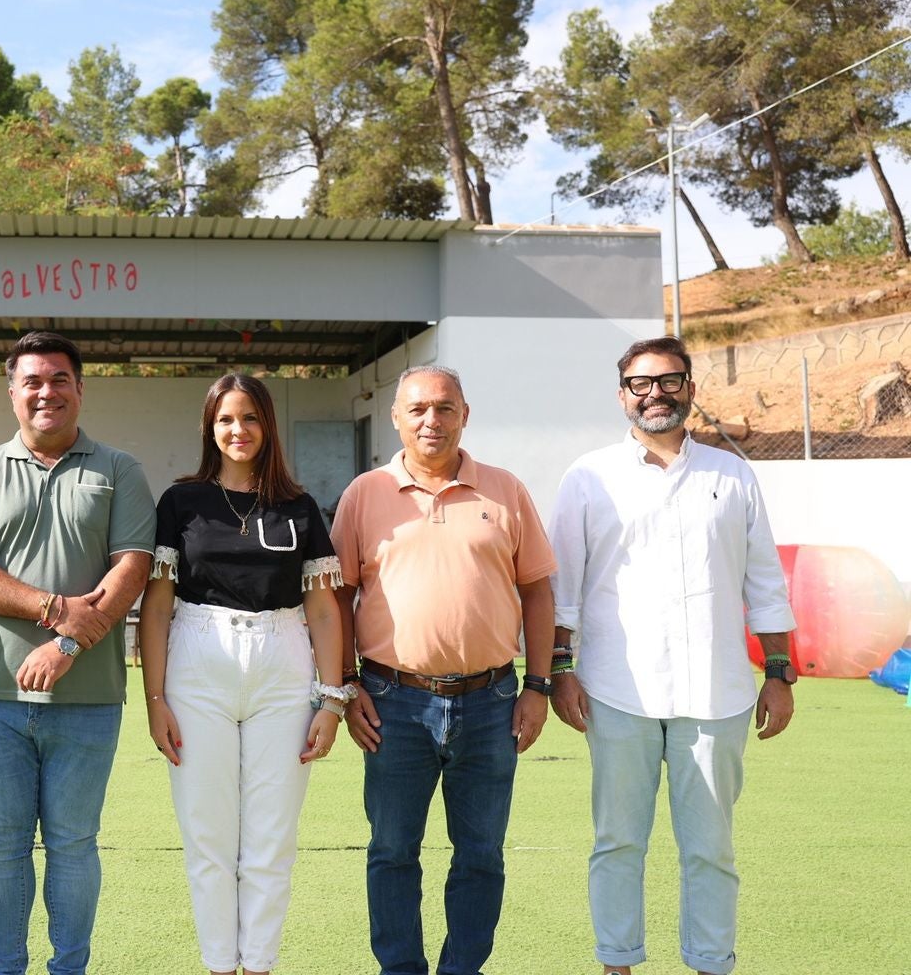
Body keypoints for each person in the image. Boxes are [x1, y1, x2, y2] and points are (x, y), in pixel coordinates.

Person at [548, 337, 796, 975]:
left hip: (717, 694)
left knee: (711, 848)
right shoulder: (588, 476)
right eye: (640, 383)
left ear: (690, 386)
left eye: (669, 380)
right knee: (618, 843)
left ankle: (711, 963)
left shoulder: (733, 474)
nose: (655, 393)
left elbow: (765, 583)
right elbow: (564, 590)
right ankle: (617, 963)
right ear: (622, 394)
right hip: (613, 690)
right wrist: (557, 672)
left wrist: (778, 673)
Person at [0, 330, 156, 975]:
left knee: (74, 846)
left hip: (89, 701)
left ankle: (70, 968)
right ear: (12, 393)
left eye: (59, 379)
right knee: (3, 847)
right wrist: (55, 608)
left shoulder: (119, 470)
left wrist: (65, 644)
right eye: (32, 381)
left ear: (80, 389)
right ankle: (4, 967)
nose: (46, 392)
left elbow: (132, 570)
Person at [330, 364, 556, 975]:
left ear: (465, 414)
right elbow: (336, 599)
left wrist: (538, 685)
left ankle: (463, 968)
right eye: (419, 409)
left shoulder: (505, 490)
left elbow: (537, 590)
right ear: (397, 418)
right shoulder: (364, 494)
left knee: (481, 853)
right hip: (392, 701)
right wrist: (347, 687)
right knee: (392, 851)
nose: (432, 420)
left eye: (445, 408)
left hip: (492, 702)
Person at [140, 373, 347, 975]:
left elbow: (324, 608)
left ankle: (258, 965)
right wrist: (155, 698)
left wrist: (330, 702)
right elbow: (157, 603)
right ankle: (218, 966)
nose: (238, 430)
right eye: (226, 419)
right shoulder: (181, 502)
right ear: (210, 425)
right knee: (208, 839)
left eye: (251, 418)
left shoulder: (299, 506)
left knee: (271, 842)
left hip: (283, 667)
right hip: (198, 663)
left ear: (268, 427)